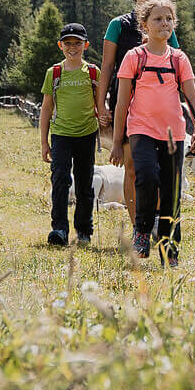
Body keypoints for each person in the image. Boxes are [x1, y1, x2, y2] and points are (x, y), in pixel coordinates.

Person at [109, 0, 195, 265]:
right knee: (147, 177)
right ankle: (141, 230)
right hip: (141, 130)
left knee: (172, 191)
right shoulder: (134, 58)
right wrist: (118, 142)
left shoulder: (179, 59)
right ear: (144, 25)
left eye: (169, 18)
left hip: (174, 134)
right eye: (158, 19)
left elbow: (193, 97)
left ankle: (169, 250)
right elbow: (121, 104)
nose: (165, 23)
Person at [103, 0, 182, 225]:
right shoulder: (118, 25)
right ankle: (139, 225)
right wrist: (100, 104)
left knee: (158, 168)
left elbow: (178, 67)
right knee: (133, 167)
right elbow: (107, 68)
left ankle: (157, 220)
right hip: (126, 104)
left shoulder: (165, 24)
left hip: (160, 107)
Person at [40, 22, 112, 247]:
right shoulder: (54, 73)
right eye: (68, 43)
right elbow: (46, 108)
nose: (73, 48)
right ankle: (59, 229)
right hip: (61, 135)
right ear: (61, 45)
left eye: (78, 43)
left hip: (87, 135)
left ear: (86, 45)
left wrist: (104, 116)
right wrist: (44, 142)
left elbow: (100, 104)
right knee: (60, 180)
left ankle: (83, 230)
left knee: (84, 183)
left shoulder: (93, 72)